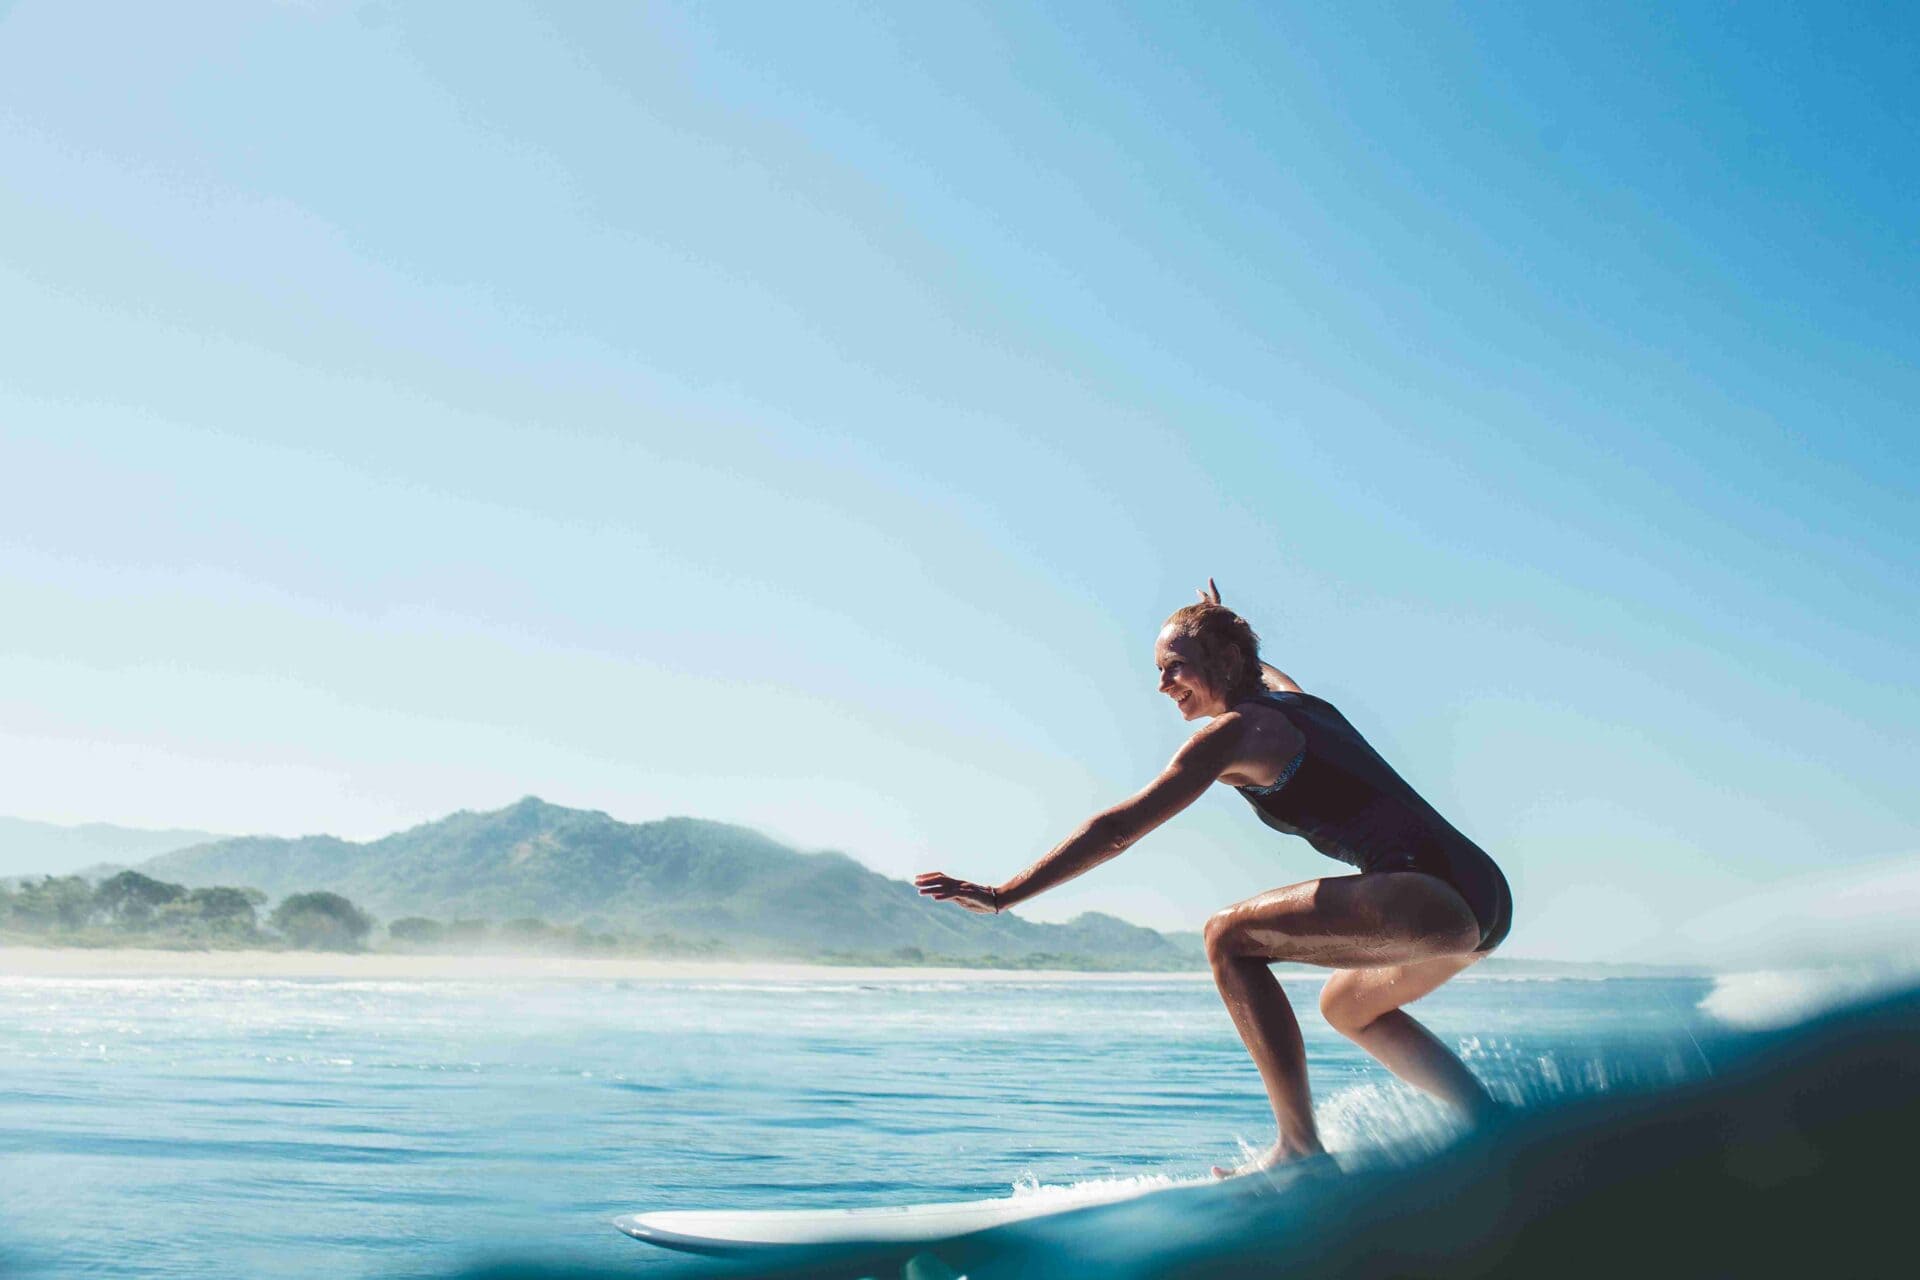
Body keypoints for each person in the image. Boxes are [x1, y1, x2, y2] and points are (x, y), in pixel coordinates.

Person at [915, 581, 1512, 1177]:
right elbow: (1267, 674)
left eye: (1174, 666)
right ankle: (1490, 1123)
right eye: (1159, 670)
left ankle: (1299, 1149)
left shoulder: (1232, 735)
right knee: (1347, 1008)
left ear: (1224, 661)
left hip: (1426, 898)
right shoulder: (1301, 705)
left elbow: (1118, 828)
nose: (1162, 684)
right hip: (1484, 897)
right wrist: (1217, 620)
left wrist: (1004, 894)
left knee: (1226, 937)